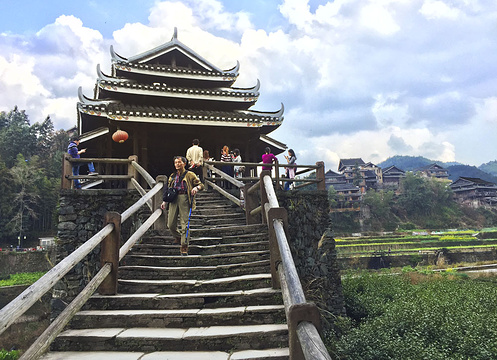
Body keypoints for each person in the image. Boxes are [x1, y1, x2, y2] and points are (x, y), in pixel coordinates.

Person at [161, 156, 204, 255]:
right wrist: (164, 201)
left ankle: (184, 245)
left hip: (184, 198)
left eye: (179, 162)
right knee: (170, 224)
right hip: (173, 200)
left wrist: (196, 188)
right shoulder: (172, 176)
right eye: (175, 162)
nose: (177, 164)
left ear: (184, 163)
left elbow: (201, 185)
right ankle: (179, 237)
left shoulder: (190, 175)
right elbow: (168, 189)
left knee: (185, 224)